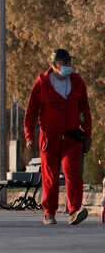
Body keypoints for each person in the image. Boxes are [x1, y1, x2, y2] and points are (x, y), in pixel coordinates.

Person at [24, 48, 92, 225]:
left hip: (72, 138)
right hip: (49, 138)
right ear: (54, 65)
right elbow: (31, 111)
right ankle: (49, 212)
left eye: (69, 62)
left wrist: (88, 136)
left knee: (72, 171)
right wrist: (29, 136)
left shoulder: (77, 81)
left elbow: (85, 109)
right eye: (65, 62)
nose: (68, 65)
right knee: (50, 176)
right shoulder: (42, 83)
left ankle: (74, 210)